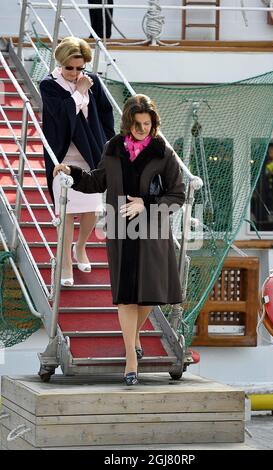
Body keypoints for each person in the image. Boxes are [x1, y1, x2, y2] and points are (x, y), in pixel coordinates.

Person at [53, 94, 185, 385]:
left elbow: (177, 196)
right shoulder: (112, 149)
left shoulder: (164, 153)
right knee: (126, 296)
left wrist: (146, 204)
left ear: (154, 123)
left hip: (152, 232)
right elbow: (98, 180)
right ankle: (131, 357)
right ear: (128, 123)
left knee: (150, 295)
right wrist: (72, 172)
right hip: (121, 232)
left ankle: (134, 336)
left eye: (147, 124)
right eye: (137, 124)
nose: (142, 129)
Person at [40, 37, 115, 286]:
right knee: (66, 213)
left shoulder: (94, 81)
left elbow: (105, 113)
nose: (74, 73)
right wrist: (80, 91)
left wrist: (107, 141)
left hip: (90, 155)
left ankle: (80, 246)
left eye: (78, 68)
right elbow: (62, 117)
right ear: (60, 64)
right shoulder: (49, 85)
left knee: (92, 210)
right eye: (69, 68)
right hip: (62, 157)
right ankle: (65, 264)